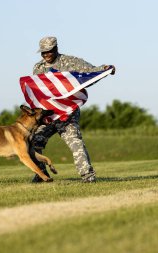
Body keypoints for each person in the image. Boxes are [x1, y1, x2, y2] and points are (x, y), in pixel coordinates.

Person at [29, 36, 115, 183]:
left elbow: (89, 72)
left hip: (67, 114)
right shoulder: (38, 68)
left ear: (56, 48)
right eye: (43, 52)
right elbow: (39, 92)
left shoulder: (70, 62)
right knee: (33, 141)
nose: (46, 55)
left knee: (75, 142)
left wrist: (104, 69)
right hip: (48, 115)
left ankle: (88, 176)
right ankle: (41, 174)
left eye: (49, 51)